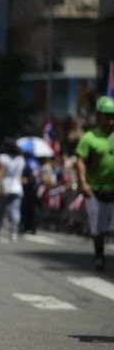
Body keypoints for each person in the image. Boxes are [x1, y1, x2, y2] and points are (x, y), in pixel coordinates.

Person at [75, 96, 114, 271]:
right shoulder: (89, 137)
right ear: (100, 116)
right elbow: (80, 161)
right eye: (108, 115)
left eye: (113, 115)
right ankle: (99, 255)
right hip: (94, 190)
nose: (111, 119)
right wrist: (83, 183)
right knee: (98, 227)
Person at [0, 138, 25, 242]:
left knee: (0, 211)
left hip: (5, 187)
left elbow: (1, 172)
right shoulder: (21, 159)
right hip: (17, 187)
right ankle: (13, 232)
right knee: (15, 211)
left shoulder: (3, 157)